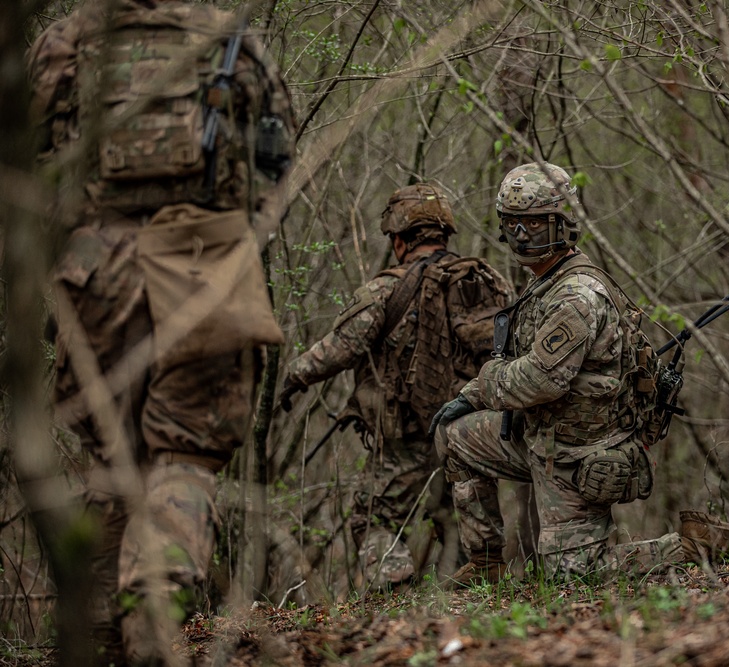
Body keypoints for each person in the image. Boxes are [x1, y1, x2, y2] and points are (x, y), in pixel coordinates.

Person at [28, 0, 296, 662]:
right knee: (183, 453)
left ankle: (93, 636)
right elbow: (276, 152)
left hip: (94, 272)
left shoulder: (68, 39)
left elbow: (24, 157)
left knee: (115, 463)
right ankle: (151, 611)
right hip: (200, 260)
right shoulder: (227, 34)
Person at [431, 162, 729, 585]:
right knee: (454, 434)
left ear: (562, 224)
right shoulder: (545, 281)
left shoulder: (576, 294)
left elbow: (538, 379)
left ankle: (692, 546)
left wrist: (487, 380)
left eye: (534, 225)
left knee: (574, 577)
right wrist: (472, 395)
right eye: (512, 225)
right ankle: (486, 563)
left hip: (578, 456)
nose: (521, 236)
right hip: (541, 437)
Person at [280, 183, 513, 589]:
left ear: (401, 239)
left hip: (405, 433)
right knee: (454, 517)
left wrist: (293, 375)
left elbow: (340, 347)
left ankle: (396, 594)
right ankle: (473, 599)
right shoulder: (482, 282)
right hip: (470, 430)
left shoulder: (385, 289)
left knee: (373, 518)